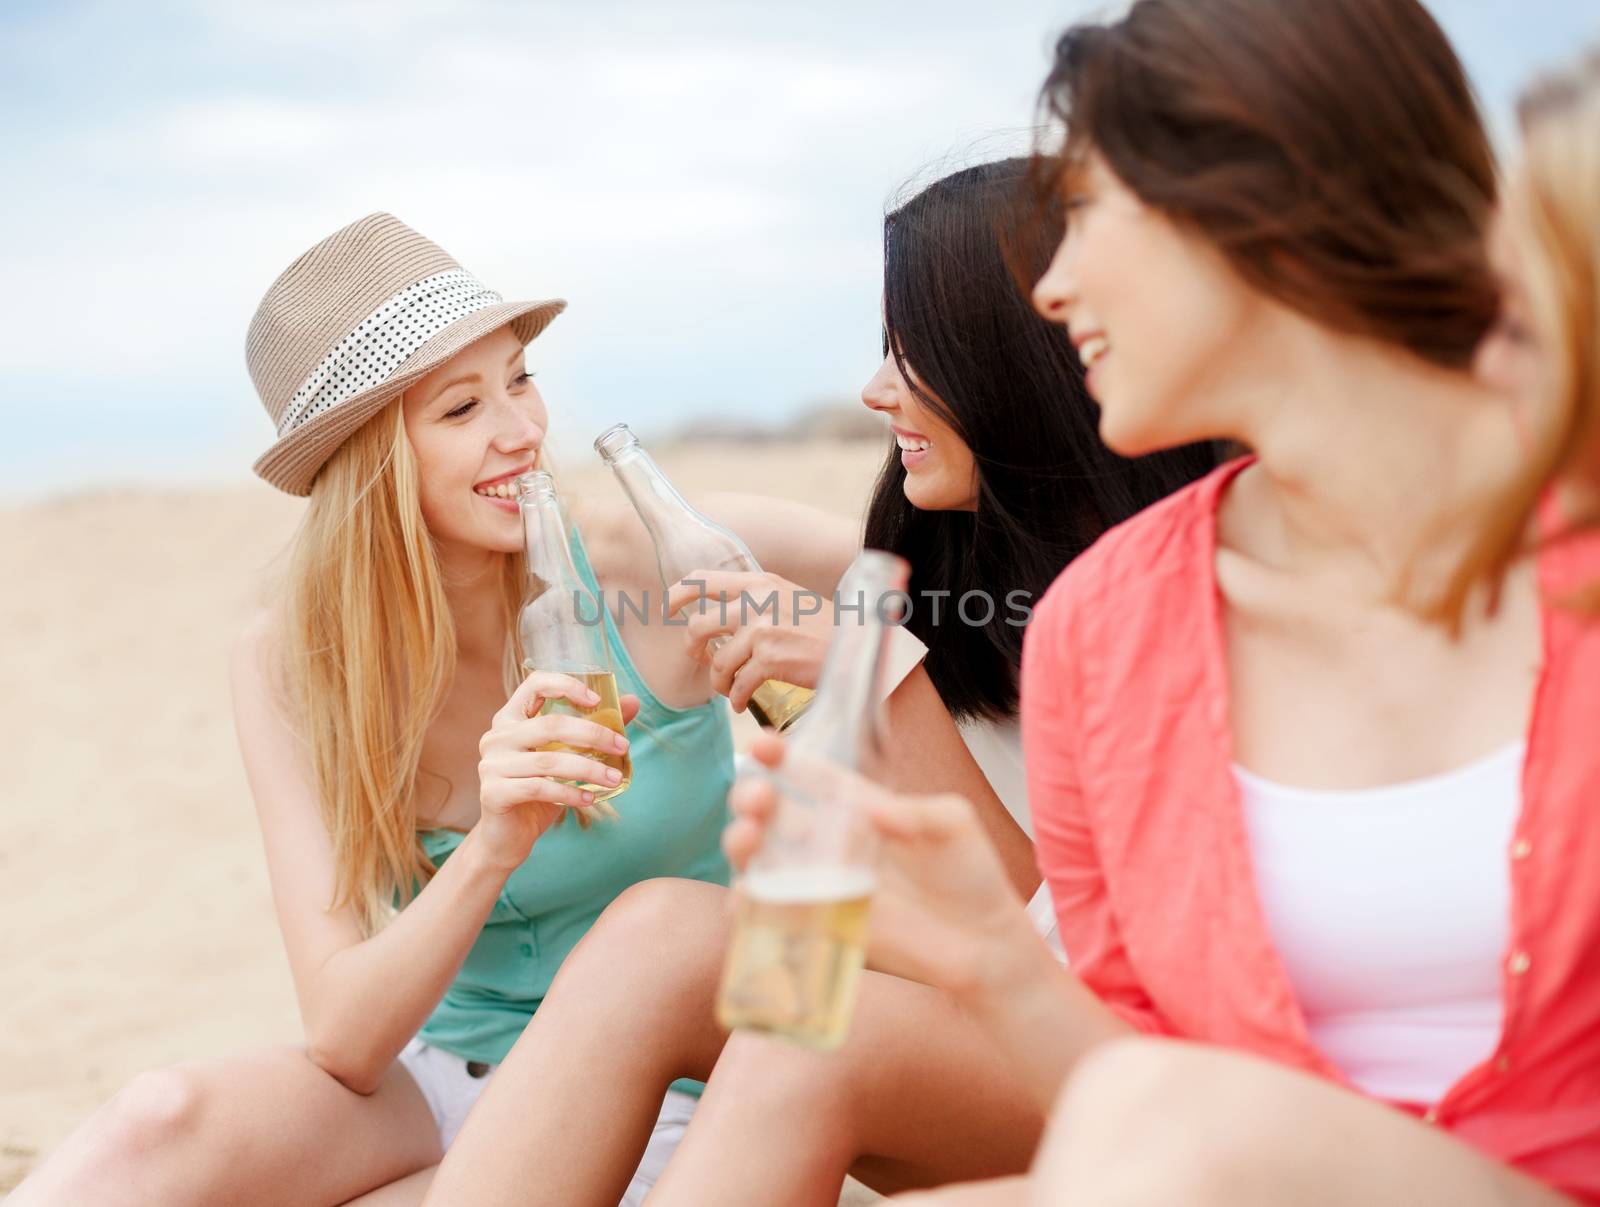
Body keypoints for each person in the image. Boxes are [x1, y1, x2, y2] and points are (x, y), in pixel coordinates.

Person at [731, 2, 1600, 1205]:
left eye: (1085, 213)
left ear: (1251, 201)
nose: (1054, 284)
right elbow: (1130, 1102)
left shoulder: (1577, 547)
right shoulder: (1103, 626)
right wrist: (991, 955)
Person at [10, 214, 863, 1207]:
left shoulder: (643, 556)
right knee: (157, 1121)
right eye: (463, 409)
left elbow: (961, 585)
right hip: (441, 1075)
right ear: (375, 464)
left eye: (520, 379)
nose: (522, 430)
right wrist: (499, 839)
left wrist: (835, 644)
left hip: (671, 1086)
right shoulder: (292, 661)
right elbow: (345, 1038)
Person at [420, 160, 1220, 1206]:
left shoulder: (1163, 592)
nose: (874, 388)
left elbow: (1052, 942)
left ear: (1012, 361)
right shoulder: (945, 561)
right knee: (662, 933)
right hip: (976, 1019)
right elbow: (695, 549)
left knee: (792, 1029)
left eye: (910, 349)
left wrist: (871, 668)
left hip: (1115, 1053)